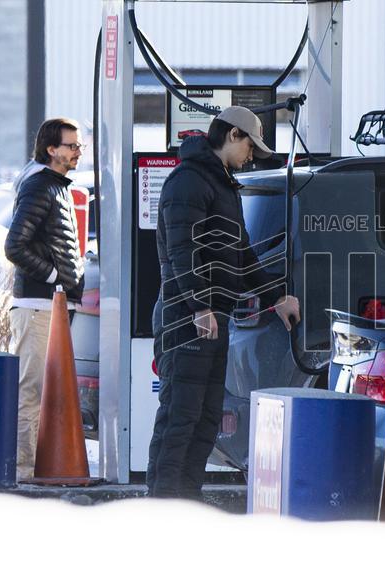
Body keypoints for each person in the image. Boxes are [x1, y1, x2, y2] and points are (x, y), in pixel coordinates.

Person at [147, 106, 301, 499]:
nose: (252, 155)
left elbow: (242, 254)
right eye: (251, 145)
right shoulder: (189, 182)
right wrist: (199, 306)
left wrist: (276, 297)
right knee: (179, 418)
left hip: (212, 318)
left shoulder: (222, 184)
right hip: (186, 320)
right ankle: (161, 508)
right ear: (233, 135)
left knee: (204, 418)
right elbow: (182, 252)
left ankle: (184, 502)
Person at [4, 118, 86, 481]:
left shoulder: (58, 186)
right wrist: (54, 279)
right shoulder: (40, 186)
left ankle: (37, 468)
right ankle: (23, 473)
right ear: (51, 149)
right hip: (39, 305)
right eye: (71, 145)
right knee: (32, 390)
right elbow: (14, 246)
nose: (77, 151)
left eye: (79, 145)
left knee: (43, 392)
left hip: (52, 305)